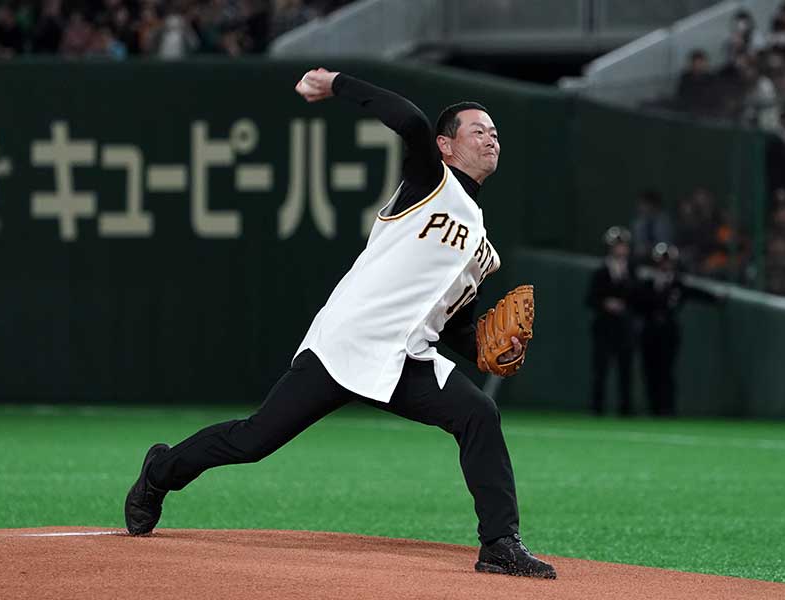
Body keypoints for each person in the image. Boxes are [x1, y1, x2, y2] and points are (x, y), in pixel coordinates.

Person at [124, 67, 556, 580]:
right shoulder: (429, 183)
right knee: (252, 441)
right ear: (445, 145)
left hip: (404, 360)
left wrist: (485, 350)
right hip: (344, 346)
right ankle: (160, 472)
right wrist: (336, 83)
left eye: (495, 133)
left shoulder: (483, 249)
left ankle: (499, 544)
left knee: (479, 415)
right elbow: (411, 121)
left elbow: (453, 324)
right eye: (478, 130)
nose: (491, 138)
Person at [634, 244, 721, 417]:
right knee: (650, 371)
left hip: (668, 332)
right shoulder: (646, 282)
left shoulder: (677, 283)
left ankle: (667, 409)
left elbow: (696, 293)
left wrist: (716, 298)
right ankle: (653, 408)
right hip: (650, 331)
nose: (665, 264)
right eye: (662, 260)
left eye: (668, 260)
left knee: (666, 371)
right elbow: (635, 302)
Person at [586, 226, 635, 416]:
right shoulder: (601, 271)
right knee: (600, 369)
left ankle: (626, 409)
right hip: (604, 327)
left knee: (626, 370)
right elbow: (590, 299)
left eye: (623, 245)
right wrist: (606, 304)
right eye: (617, 245)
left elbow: (637, 297)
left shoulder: (632, 271)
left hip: (624, 328)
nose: (621, 249)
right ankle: (596, 408)